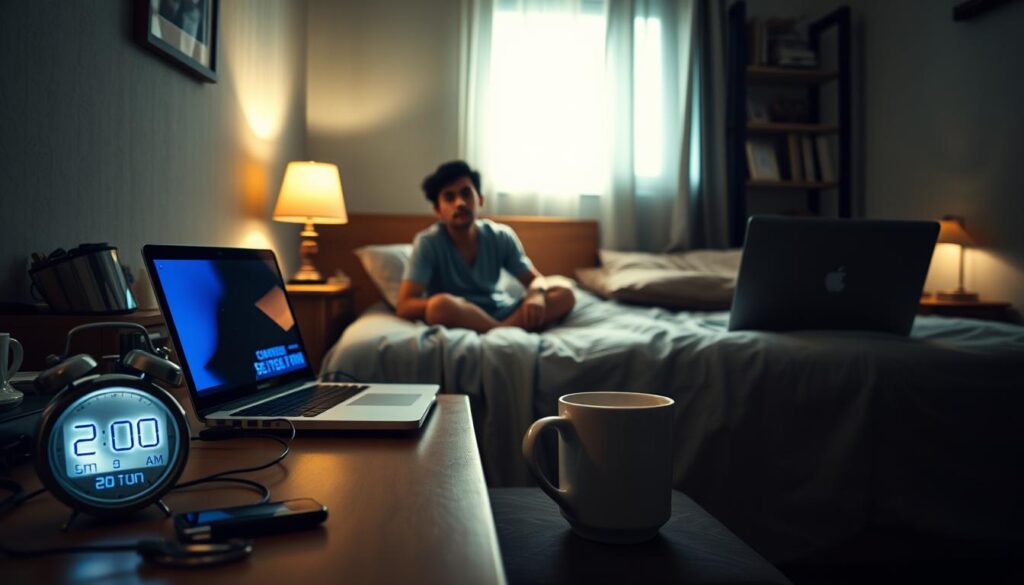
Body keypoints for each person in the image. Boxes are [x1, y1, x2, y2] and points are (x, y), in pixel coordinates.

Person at [396, 161, 575, 333]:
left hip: (502, 312)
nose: (459, 203)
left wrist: (536, 294)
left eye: (466, 193)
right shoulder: (428, 243)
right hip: (458, 313)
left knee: (565, 292)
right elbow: (404, 306)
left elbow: (535, 279)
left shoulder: (500, 236)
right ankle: (504, 331)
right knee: (438, 306)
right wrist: (437, 303)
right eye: (449, 197)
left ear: (480, 200)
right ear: (438, 210)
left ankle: (498, 330)